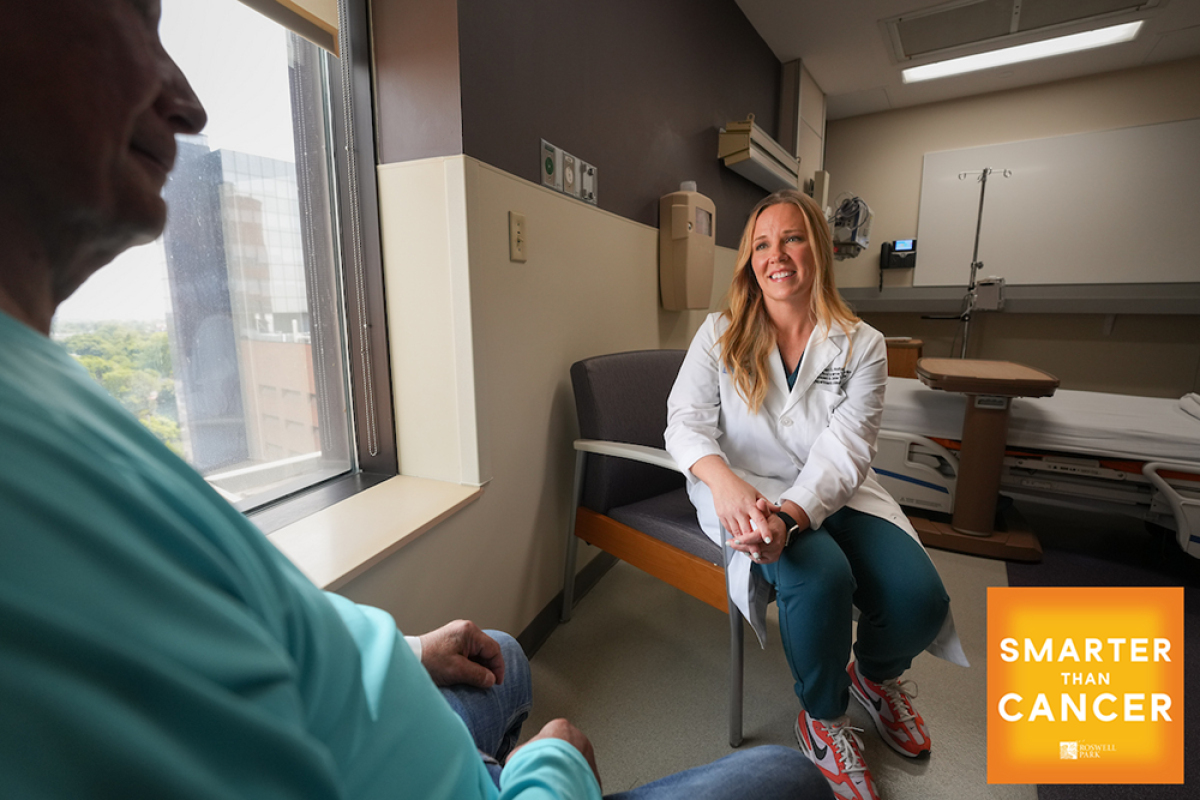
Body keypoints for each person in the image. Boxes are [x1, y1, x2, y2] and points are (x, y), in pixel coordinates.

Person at [0, 3, 835, 799]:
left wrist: (398, 653)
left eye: (794, 239)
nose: (188, 103)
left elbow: (243, 623)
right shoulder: (38, 491)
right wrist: (554, 772)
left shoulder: (51, 394)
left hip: (371, 693)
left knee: (503, 651)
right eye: (137, 16)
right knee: (792, 779)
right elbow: (686, 423)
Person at [665, 189, 969, 800]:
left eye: (792, 238)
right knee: (820, 577)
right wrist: (723, 485)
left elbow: (848, 450)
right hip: (744, 493)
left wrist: (794, 514)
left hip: (835, 492)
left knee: (919, 601)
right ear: (750, 260)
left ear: (822, 251)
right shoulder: (719, 333)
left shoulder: (862, 344)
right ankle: (824, 718)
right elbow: (684, 422)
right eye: (762, 244)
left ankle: (875, 680)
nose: (777, 255)